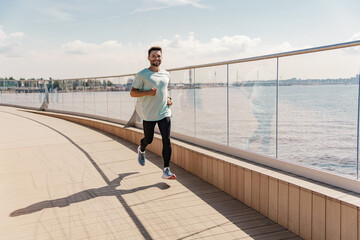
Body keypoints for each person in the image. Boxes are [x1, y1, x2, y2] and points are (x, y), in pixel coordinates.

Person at [130, 46, 176, 180]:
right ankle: (141, 149)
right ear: (148, 58)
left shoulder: (166, 74)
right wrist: (148, 93)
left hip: (164, 112)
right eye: (154, 56)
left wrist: (168, 98)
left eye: (159, 56)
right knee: (148, 139)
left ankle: (166, 170)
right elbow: (133, 92)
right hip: (149, 114)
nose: (156, 58)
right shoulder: (142, 74)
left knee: (166, 140)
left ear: (161, 58)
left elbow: (165, 90)